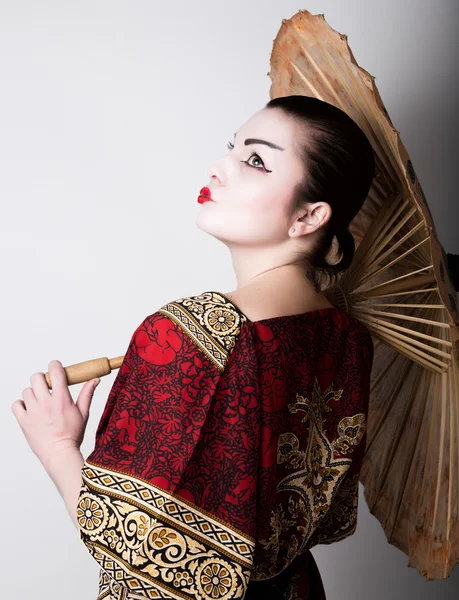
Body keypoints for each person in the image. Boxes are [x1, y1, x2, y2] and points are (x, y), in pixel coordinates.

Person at [76, 95, 375, 599]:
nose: (219, 167)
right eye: (231, 148)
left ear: (308, 216)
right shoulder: (349, 339)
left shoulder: (186, 337)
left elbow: (149, 566)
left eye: (256, 160)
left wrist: (59, 448)